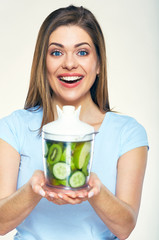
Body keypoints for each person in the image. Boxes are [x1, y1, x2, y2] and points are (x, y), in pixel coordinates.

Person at [0, 5, 148, 240]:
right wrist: (32, 190)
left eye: (82, 52)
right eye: (57, 52)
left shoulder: (128, 133)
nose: (69, 64)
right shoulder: (13, 128)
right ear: (43, 64)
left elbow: (125, 227)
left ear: (99, 64)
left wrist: (96, 191)